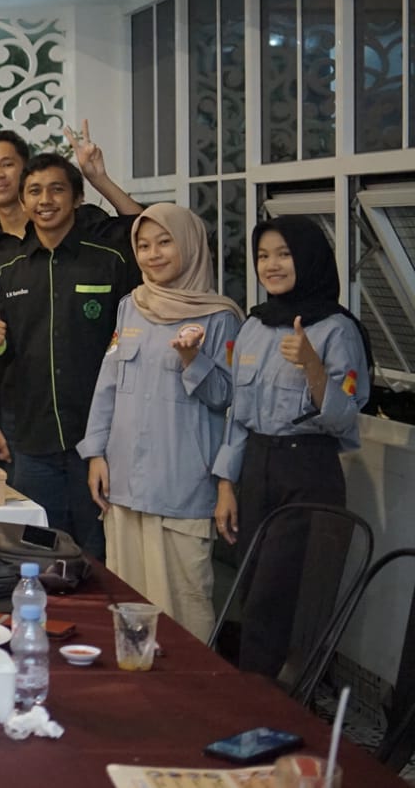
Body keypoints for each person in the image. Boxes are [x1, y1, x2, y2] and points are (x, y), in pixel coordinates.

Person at [213, 217, 372, 676]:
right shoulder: (254, 324)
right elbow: (238, 411)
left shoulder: (337, 329)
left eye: (284, 254)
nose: (271, 265)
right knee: (250, 589)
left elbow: (345, 418)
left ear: (308, 258)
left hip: (308, 471)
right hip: (256, 465)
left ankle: (262, 699)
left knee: (279, 598)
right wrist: (226, 485)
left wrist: (312, 367)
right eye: (263, 256)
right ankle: (255, 694)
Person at [78, 204, 243, 639]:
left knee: (185, 606)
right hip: (124, 482)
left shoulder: (220, 316)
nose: (152, 255)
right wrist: (95, 453)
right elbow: (108, 383)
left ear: (189, 244)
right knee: (129, 603)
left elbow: (227, 398)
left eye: (164, 243)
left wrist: (193, 359)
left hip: (182, 486)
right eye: (144, 245)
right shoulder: (131, 306)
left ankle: (195, 683)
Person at [0, 154, 137, 557]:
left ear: (78, 198)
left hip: (101, 441)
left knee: (101, 553)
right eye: (34, 191)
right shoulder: (8, 272)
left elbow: (148, 228)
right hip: (33, 441)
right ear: (23, 201)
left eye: (56, 189)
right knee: (39, 553)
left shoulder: (111, 260)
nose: (45, 200)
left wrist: (100, 176)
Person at [0, 123, 144, 465]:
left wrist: (98, 178)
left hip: (97, 417)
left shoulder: (89, 231)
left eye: (7, 164)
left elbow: (145, 233)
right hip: (27, 419)